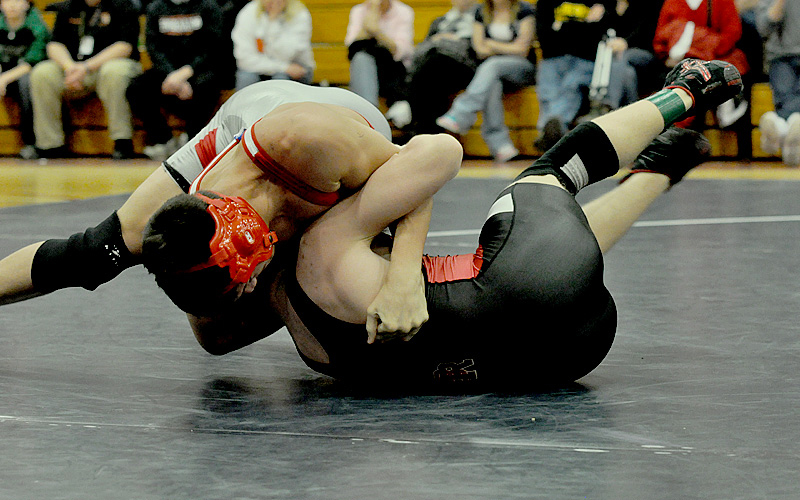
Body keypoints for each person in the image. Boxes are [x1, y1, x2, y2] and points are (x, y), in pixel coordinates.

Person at [146, 59, 742, 388]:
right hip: (539, 285)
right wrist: (403, 274)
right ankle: (687, 90)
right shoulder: (320, 249)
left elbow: (215, 331)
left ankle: (655, 173)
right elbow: (438, 151)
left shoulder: (297, 339)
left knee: (543, 259)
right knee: (549, 179)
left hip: (561, 357)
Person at [0, 80, 445, 319]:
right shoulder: (196, 204)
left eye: (244, 282)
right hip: (239, 131)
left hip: (320, 138)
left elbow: (428, 157)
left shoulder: (313, 144)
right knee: (101, 254)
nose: (248, 288)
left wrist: (403, 277)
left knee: (343, 285)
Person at [29, 0, 142, 159]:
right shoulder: (68, 7)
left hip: (106, 66)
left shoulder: (123, 5)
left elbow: (124, 46)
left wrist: (86, 67)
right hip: (73, 68)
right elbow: (54, 44)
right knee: (42, 72)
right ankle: (50, 145)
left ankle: (122, 141)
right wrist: (70, 68)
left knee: (114, 71)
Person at [435, 0, 535, 162]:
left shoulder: (524, 10)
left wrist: (491, 44)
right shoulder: (481, 11)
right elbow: (479, 49)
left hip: (521, 69)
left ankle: (462, 112)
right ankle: (501, 146)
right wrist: (506, 48)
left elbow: (522, 50)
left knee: (492, 65)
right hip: (491, 74)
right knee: (493, 83)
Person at [126, 0, 224, 162]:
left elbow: (214, 46)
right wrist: (171, 75)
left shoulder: (209, 6)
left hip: (199, 69)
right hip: (166, 72)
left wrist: (187, 72)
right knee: (136, 88)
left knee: (208, 85)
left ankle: (193, 139)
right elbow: (153, 47)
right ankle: (164, 139)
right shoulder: (156, 7)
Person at [533, 0, 617, 152]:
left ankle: (550, 131)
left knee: (571, 85)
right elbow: (544, 38)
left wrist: (561, 27)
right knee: (548, 89)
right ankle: (552, 130)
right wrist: (583, 25)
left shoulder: (602, 1)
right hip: (552, 58)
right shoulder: (546, 2)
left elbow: (598, 36)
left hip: (586, 59)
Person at [384, 0, 478, 133]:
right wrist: (442, 40)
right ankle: (426, 129)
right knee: (430, 73)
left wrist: (441, 40)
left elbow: (475, 50)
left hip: (463, 68)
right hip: (433, 66)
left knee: (435, 66)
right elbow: (421, 50)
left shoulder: (480, 19)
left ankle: (406, 107)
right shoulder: (439, 21)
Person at [653, 0, 750, 129]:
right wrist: (670, 55)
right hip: (678, 66)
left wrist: (704, 51)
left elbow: (732, 34)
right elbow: (660, 40)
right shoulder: (673, 2)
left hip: (714, 61)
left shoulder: (722, 2)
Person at [0, 0, 50, 160]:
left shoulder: (37, 27)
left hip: (25, 74)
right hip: (3, 75)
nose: (12, 5)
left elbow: (32, 62)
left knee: (27, 82)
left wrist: (4, 79)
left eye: (17, 0)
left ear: (27, 4)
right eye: (7, 0)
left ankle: (31, 142)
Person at [344, 0, 414, 110]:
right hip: (366, 63)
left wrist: (376, 31)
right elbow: (351, 45)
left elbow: (399, 51)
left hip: (392, 68)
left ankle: (368, 110)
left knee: (363, 58)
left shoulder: (403, 11)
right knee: (360, 58)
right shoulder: (358, 11)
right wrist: (371, 14)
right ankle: (369, 109)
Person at [231, 0, 315, 90]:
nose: (273, 2)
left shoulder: (299, 13)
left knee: (280, 79)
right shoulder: (249, 12)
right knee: (246, 78)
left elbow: (285, 55)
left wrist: (273, 21)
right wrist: (282, 67)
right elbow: (245, 59)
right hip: (268, 68)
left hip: (294, 67)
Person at [756, 0, 800, 166]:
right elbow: (763, 28)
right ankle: (793, 126)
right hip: (780, 57)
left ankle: (779, 125)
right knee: (785, 96)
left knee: (788, 102)